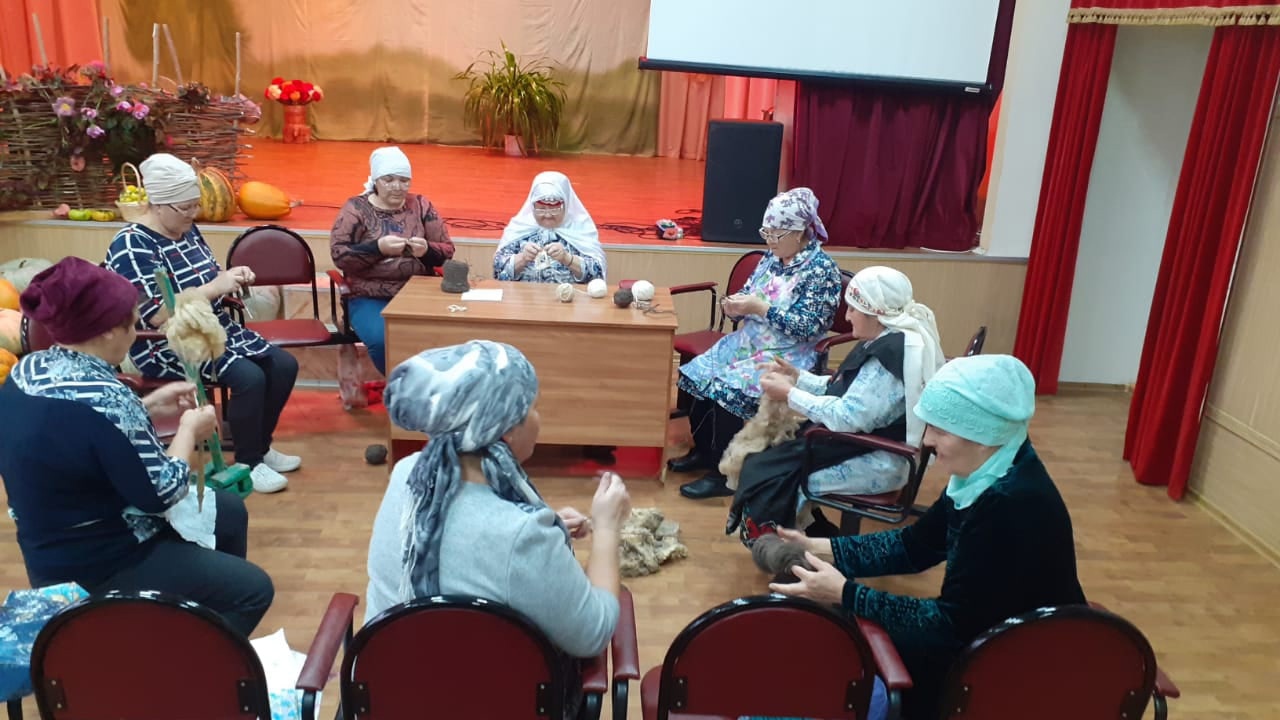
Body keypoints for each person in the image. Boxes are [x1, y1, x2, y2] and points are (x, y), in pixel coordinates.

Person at [768, 355, 1086, 720]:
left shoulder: (1009, 505)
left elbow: (947, 627)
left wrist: (846, 594)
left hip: (1008, 667)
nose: (928, 441)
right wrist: (820, 548)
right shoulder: (989, 471)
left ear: (983, 435)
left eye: (941, 430)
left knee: (839, 643)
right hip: (987, 637)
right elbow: (915, 546)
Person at [0, 257, 274, 637]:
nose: (134, 334)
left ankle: (196, 619)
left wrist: (147, 406)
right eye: (131, 325)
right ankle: (194, 656)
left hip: (47, 544)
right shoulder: (108, 398)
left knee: (227, 511)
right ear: (107, 332)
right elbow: (160, 494)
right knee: (253, 590)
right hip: (99, 560)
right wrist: (188, 432)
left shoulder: (27, 371)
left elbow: (79, 436)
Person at [365, 341, 631, 713]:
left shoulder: (407, 474)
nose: (538, 418)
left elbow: (467, 538)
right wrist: (606, 528)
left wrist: (545, 531)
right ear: (504, 430)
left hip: (391, 695)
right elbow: (594, 632)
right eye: (532, 407)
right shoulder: (522, 539)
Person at [105, 153, 297, 494]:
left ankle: (260, 447)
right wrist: (215, 287)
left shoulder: (186, 229)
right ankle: (248, 462)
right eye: (186, 207)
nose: (193, 214)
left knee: (283, 365)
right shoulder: (131, 244)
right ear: (158, 204)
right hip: (169, 340)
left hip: (213, 326)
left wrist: (231, 277)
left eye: (195, 205)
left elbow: (207, 276)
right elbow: (156, 314)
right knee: (249, 377)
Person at [730, 266, 944, 544]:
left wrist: (790, 394)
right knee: (768, 457)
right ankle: (812, 534)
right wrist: (797, 377)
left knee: (770, 471)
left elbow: (847, 417)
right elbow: (843, 388)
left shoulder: (887, 358)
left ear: (875, 313)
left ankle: (783, 548)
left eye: (853, 309)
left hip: (881, 458)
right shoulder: (884, 338)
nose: (847, 316)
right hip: (863, 442)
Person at [672, 188, 843, 500]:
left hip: (788, 354)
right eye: (766, 232)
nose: (769, 241)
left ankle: (724, 472)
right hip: (749, 340)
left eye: (776, 234)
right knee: (697, 374)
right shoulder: (771, 259)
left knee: (725, 387)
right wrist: (735, 306)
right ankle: (705, 452)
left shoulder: (821, 270)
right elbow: (750, 293)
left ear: (799, 232)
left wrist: (761, 309)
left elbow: (809, 328)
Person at [330, 146, 455, 375]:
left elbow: (447, 250)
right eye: (389, 180)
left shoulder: (421, 205)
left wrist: (426, 250)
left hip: (417, 293)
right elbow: (340, 255)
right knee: (382, 340)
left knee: (443, 335)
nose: (398, 187)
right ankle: (403, 384)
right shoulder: (356, 209)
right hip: (369, 296)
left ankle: (429, 384)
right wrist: (377, 248)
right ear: (376, 180)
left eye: (404, 180)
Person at [493, 171, 605, 284]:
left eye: (554, 209)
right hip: (523, 294)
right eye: (541, 209)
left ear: (566, 205)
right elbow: (498, 269)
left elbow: (597, 274)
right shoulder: (520, 228)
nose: (547, 215)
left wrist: (567, 258)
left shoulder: (580, 229)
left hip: (569, 294)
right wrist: (523, 258)